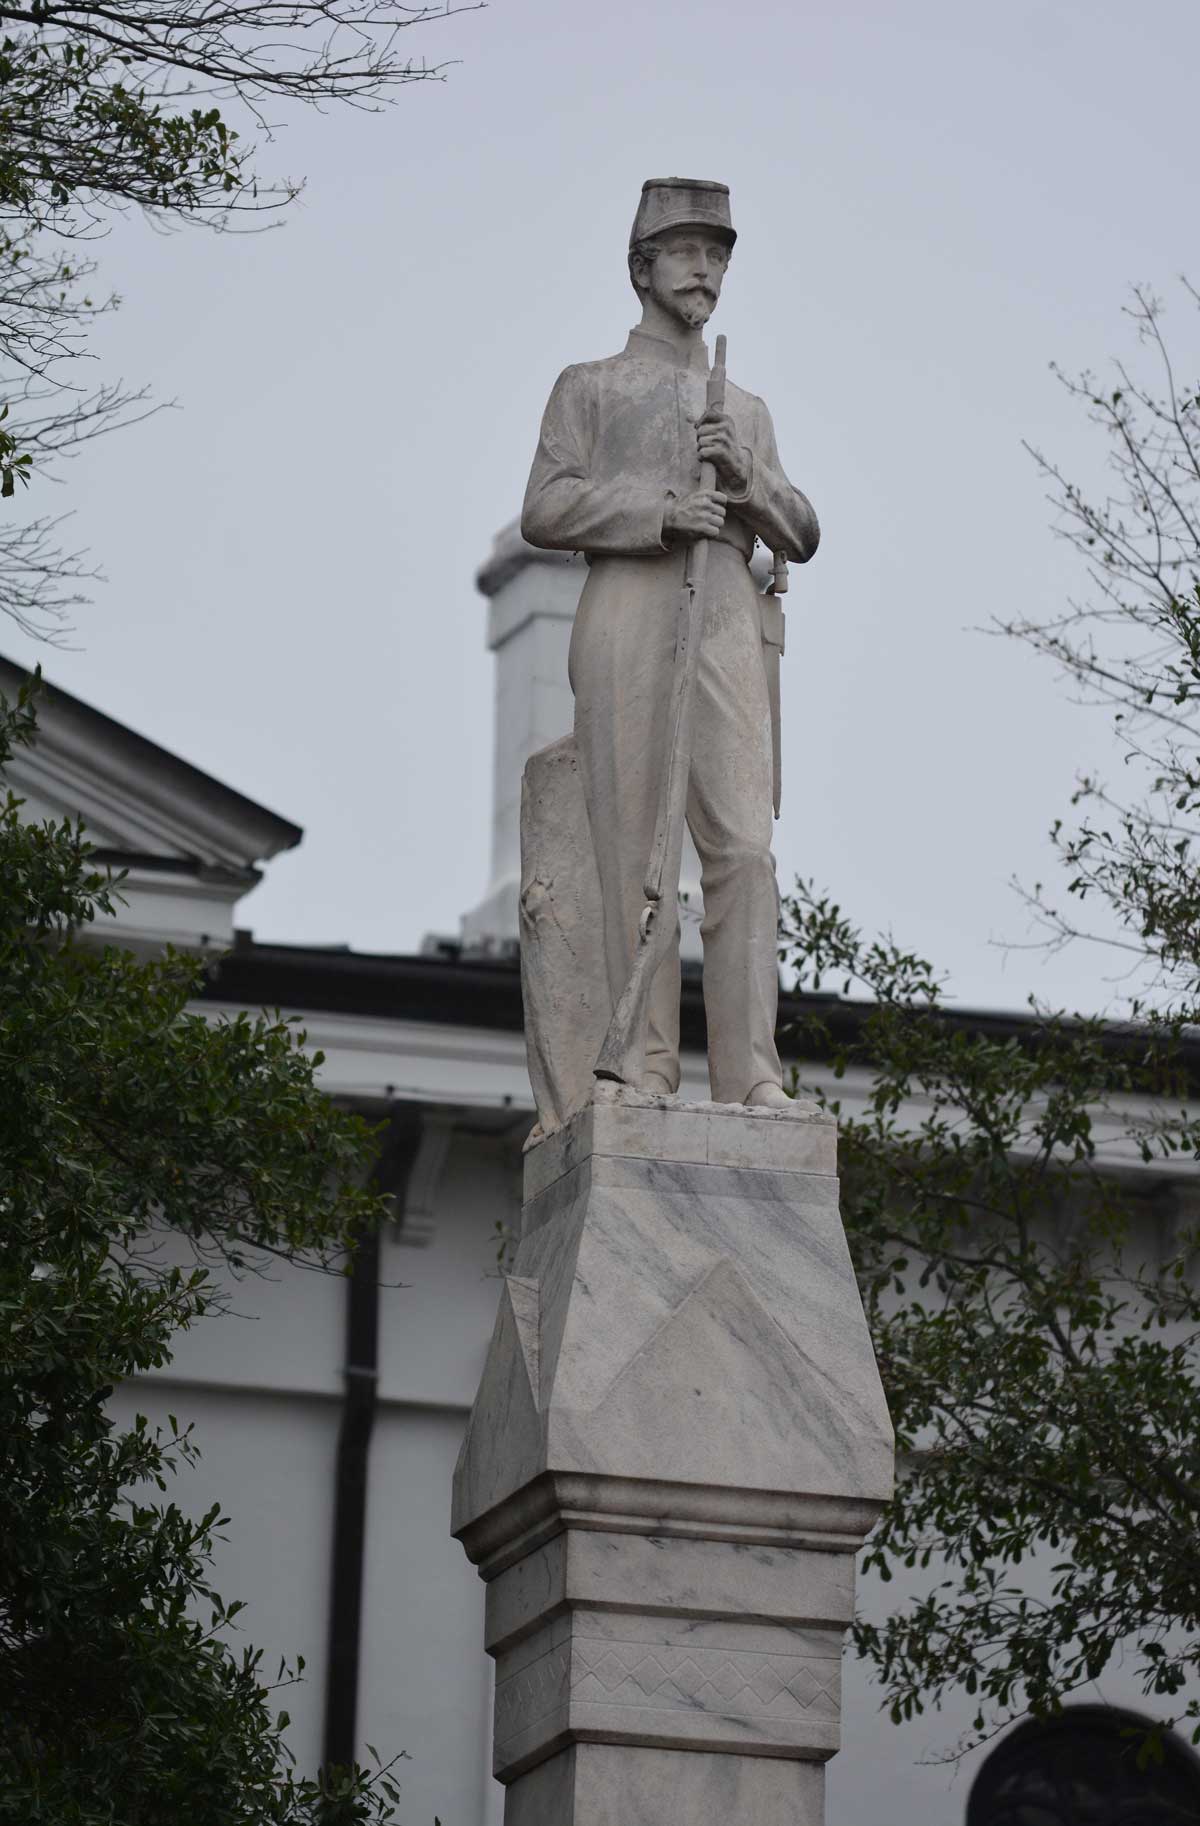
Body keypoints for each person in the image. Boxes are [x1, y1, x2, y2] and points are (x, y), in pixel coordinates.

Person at [521, 178, 819, 1107]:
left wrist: (749, 480)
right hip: (629, 604)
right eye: (689, 251)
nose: (707, 269)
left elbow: (802, 530)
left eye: (719, 254)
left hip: (728, 606)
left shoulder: (747, 407)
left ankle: (750, 1075)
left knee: (744, 847)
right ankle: (644, 1066)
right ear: (642, 266)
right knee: (631, 852)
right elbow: (546, 505)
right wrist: (657, 509)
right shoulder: (592, 387)